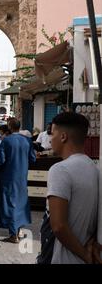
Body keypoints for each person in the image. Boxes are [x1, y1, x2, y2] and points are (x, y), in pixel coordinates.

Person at [46, 112, 100, 264]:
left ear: (63, 137)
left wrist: (85, 255)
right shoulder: (93, 167)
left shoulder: (60, 170)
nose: (51, 139)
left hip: (68, 258)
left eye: (53, 134)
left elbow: (58, 226)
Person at [0, 118, 36, 243]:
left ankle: (13, 234)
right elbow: (32, 158)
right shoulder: (27, 140)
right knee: (21, 202)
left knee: (10, 203)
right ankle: (18, 230)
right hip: (22, 176)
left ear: (9, 126)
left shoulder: (6, 141)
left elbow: (1, 160)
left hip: (8, 176)